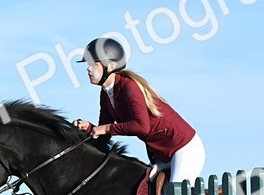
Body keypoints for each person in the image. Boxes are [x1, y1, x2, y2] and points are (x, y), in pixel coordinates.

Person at [71, 37, 206, 183]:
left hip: (183, 148)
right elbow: (105, 134)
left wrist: (105, 128)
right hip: (161, 154)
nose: (88, 68)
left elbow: (142, 126)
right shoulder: (106, 93)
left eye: (93, 63)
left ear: (110, 66)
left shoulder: (129, 86)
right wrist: (90, 129)